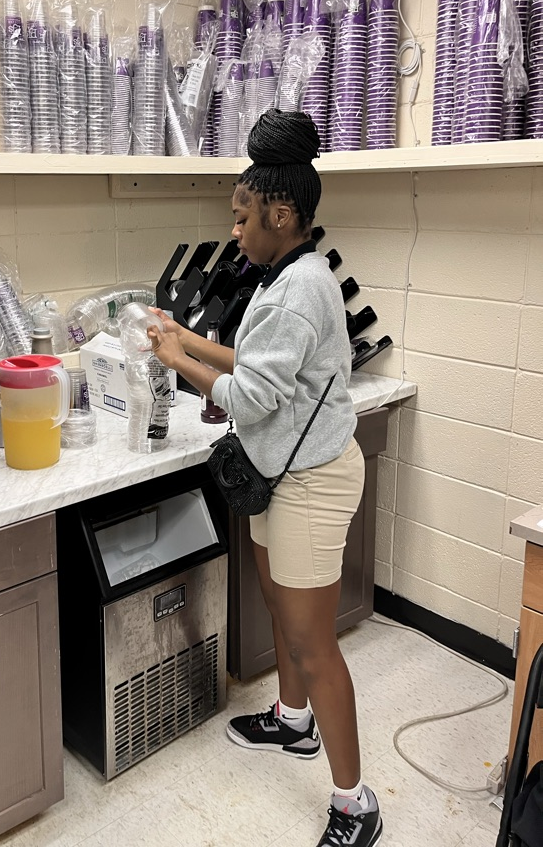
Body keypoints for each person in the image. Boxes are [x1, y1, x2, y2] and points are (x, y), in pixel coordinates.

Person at [147, 108, 381, 847]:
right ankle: (291, 721)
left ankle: (354, 803)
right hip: (279, 472)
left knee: (315, 643)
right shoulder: (284, 277)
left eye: (244, 218)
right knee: (283, 608)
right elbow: (258, 367)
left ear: (283, 215)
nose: (237, 231)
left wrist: (177, 363)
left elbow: (251, 397)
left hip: (310, 481)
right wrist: (187, 338)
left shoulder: (300, 288)